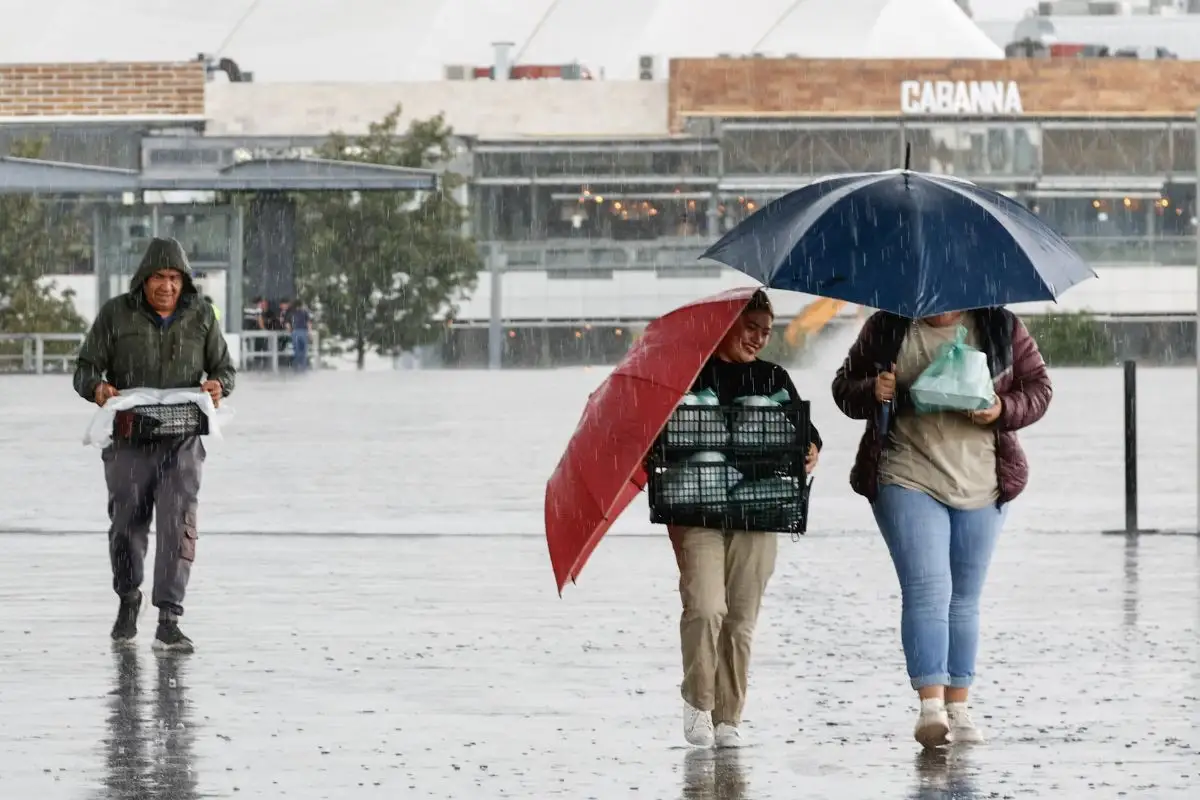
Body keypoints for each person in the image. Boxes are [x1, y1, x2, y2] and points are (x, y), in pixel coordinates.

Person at [831, 307, 1051, 748]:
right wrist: (873, 390)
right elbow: (843, 388)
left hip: (983, 480)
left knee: (965, 599)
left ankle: (959, 706)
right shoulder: (889, 325)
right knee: (928, 588)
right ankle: (930, 706)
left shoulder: (1000, 326)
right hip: (906, 473)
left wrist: (1002, 409)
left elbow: (1039, 390)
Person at [671, 289, 822, 749]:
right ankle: (698, 700)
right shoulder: (691, 374)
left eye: (764, 332)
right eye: (749, 328)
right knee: (705, 607)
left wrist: (811, 449)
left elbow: (805, 433)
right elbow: (662, 437)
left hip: (761, 510)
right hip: (697, 509)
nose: (757, 339)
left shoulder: (772, 376)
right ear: (729, 324)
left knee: (740, 618)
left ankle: (728, 718)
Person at [74, 237, 237, 653]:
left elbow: (224, 368)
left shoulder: (201, 316)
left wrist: (220, 386)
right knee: (127, 521)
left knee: (177, 523)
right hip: (129, 437)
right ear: (143, 280)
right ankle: (129, 596)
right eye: (159, 278)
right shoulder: (115, 314)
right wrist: (97, 387)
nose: (167, 286)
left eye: (175, 278)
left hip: (183, 437)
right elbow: (85, 369)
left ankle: (169, 617)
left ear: (184, 282)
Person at [287, 299, 313, 371]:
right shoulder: (305, 312)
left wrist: (291, 332)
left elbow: (288, 324)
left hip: (295, 332)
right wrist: (310, 333)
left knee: (296, 351)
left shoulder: (291, 313)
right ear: (301, 305)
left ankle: (296, 368)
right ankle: (303, 368)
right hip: (303, 332)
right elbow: (308, 323)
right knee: (304, 351)